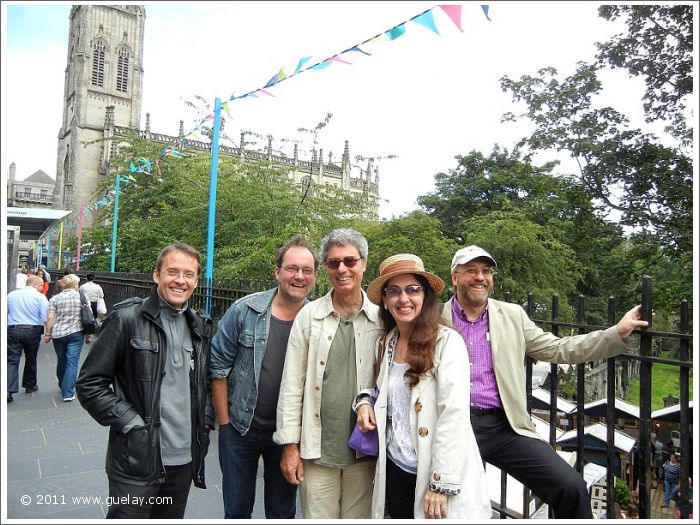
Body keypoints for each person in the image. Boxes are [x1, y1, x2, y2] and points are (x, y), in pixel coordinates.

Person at [440, 245, 648, 519]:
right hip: (451, 426)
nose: (481, 277)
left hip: (504, 427)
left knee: (571, 488)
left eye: (486, 271)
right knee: (447, 506)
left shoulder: (512, 315)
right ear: (455, 277)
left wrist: (616, 333)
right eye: (471, 270)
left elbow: (559, 348)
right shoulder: (435, 317)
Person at [76, 243, 213, 518]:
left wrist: (206, 419)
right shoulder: (126, 319)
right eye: (173, 272)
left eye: (189, 274)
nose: (180, 281)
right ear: (156, 275)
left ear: (197, 281)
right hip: (136, 461)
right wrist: (132, 423)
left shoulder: (200, 325)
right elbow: (89, 384)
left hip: (184, 460)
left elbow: (206, 383)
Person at [356, 253, 492, 519]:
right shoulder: (386, 343)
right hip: (396, 469)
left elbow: (454, 415)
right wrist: (363, 404)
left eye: (412, 289)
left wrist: (440, 483)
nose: (403, 299)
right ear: (384, 299)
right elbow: (377, 391)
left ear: (425, 295)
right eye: (393, 291)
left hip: (431, 474)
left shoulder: (447, 343)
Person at [274, 228, 383, 519]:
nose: (342, 269)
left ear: (364, 263)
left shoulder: (382, 319)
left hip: (364, 452)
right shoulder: (309, 317)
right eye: (334, 263)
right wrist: (289, 446)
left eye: (350, 261)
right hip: (317, 451)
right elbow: (292, 384)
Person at [210, 236, 318, 518]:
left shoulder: (319, 320)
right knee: (236, 510)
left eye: (307, 270)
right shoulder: (245, 310)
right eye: (292, 268)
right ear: (277, 271)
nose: (299, 276)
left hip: (289, 435)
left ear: (315, 275)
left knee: (281, 512)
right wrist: (225, 424)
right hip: (240, 429)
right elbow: (218, 367)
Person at [7, 275, 48, 402]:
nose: (42, 288)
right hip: (32, 330)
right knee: (31, 358)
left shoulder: (11, 295)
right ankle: (30, 385)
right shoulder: (40, 297)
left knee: (12, 360)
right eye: (41, 285)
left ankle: (8, 390)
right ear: (35, 284)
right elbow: (44, 317)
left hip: (13, 329)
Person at [44, 274, 84, 402]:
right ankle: (68, 392)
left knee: (61, 360)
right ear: (74, 284)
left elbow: (50, 318)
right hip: (76, 332)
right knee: (72, 362)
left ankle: (62, 384)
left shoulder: (55, 299)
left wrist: (48, 334)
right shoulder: (81, 297)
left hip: (59, 334)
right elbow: (89, 314)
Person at [79, 272, 105, 343]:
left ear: (86, 278)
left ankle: (87, 335)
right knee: (93, 319)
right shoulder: (98, 286)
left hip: (85, 305)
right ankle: (90, 334)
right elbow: (101, 295)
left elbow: (80, 295)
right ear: (94, 278)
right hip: (95, 304)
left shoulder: (82, 287)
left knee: (86, 319)